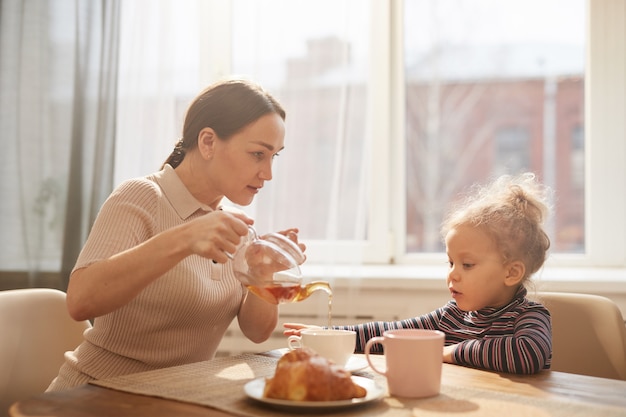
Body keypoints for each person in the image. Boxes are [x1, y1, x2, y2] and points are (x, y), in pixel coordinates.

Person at [47, 78, 305, 391]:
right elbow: (80, 301)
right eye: (257, 154)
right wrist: (184, 238)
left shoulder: (234, 228)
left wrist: (262, 274)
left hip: (173, 398)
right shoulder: (141, 196)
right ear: (208, 142)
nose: (268, 173)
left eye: (273, 156)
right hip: (97, 394)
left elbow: (257, 331)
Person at [285, 173, 552, 375]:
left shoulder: (529, 316)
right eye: (450, 263)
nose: (453, 275)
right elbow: (393, 333)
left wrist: (449, 352)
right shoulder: (451, 316)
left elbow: (528, 353)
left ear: (511, 272)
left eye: (467, 265)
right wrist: (330, 334)